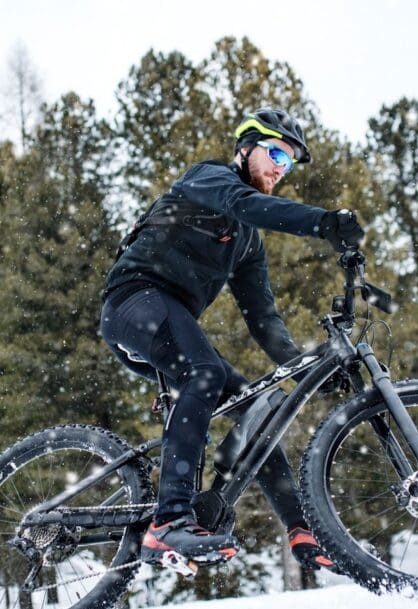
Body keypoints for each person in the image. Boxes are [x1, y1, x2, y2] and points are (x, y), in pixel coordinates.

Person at [99, 107, 364, 571]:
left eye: (291, 160)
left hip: (170, 318)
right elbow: (246, 204)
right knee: (203, 371)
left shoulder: (247, 242)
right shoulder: (210, 178)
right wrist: (322, 222)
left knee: (257, 408)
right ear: (244, 149)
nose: (282, 166)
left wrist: (311, 368)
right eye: (277, 151)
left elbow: (263, 320)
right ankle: (169, 522)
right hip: (133, 300)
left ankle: (303, 530)